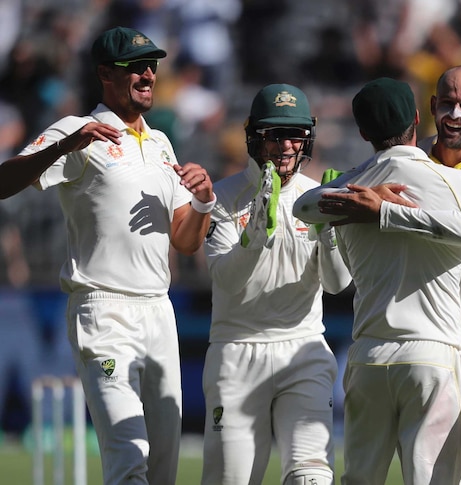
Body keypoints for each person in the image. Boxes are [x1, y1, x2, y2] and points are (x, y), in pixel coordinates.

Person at [0, 27, 214, 484]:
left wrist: (204, 202)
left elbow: (186, 240)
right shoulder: (78, 130)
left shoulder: (161, 145)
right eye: (134, 66)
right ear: (104, 74)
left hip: (159, 312)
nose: (147, 74)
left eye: (151, 65)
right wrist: (64, 147)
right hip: (104, 311)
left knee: (163, 471)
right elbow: (3, 183)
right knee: (129, 460)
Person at [319, 65, 461, 485]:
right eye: (447, 103)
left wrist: (386, 211)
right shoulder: (403, 167)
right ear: (428, 109)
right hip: (433, 336)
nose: (455, 114)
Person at [293, 77, 461, 485]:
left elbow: (302, 206)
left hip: (370, 357)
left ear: (362, 132)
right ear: (418, 118)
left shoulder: (348, 189)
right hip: (433, 354)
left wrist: (359, 189)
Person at [200, 84, 351, 484]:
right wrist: (253, 237)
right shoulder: (223, 198)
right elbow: (226, 279)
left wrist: (330, 233)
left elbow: (337, 285)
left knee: (311, 477)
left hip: (303, 349)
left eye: (295, 135)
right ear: (254, 138)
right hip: (237, 352)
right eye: (274, 135)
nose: (286, 145)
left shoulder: (314, 196)